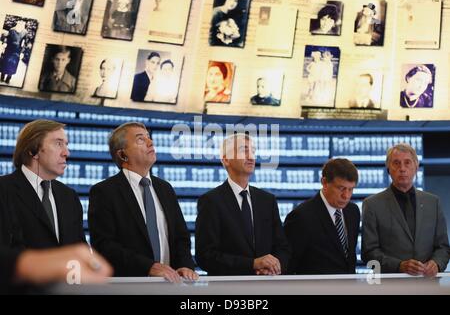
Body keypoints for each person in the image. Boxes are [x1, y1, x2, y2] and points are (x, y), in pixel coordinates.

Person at [88, 122, 198, 282]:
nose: (150, 142)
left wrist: (185, 265)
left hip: (171, 285)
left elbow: (181, 237)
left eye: (149, 137)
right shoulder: (105, 191)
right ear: (122, 154)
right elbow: (104, 245)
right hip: (129, 287)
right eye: (140, 139)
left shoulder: (165, 188)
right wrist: (148, 266)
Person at [195, 133, 291, 275]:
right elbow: (205, 256)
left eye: (253, 151)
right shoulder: (211, 201)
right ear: (226, 160)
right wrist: (252, 264)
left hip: (267, 286)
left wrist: (274, 267)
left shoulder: (267, 200)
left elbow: (283, 248)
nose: (251, 156)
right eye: (243, 150)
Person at [362, 143, 449, 276]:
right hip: (390, 287)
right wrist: (399, 266)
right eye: (396, 163)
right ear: (388, 168)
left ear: (416, 167)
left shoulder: (433, 202)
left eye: (407, 162)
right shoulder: (372, 205)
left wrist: (436, 263)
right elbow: (369, 253)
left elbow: (443, 247)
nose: (402, 168)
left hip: (428, 285)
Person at [0, 120, 86, 249]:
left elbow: (80, 248)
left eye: (66, 145)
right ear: (33, 150)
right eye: (58, 143)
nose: (66, 153)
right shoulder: (3, 190)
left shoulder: (69, 196)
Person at [284, 158, 360, 274]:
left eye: (351, 189)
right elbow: (288, 265)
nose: (346, 196)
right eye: (341, 188)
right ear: (324, 182)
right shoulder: (301, 217)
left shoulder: (353, 211)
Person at [0, 20, 28, 85]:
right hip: (8, 49)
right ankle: (2, 77)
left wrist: (22, 52)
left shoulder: (25, 32)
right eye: (19, 23)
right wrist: (4, 45)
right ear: (17, 24)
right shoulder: (11, 30)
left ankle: (8, 79)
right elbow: (7, 39)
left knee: (13, 65)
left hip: (17, 51)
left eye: (22, 23)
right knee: (5, 63)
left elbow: (24, 43)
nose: (20, 24)